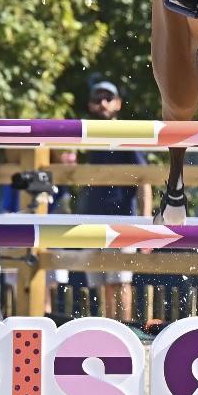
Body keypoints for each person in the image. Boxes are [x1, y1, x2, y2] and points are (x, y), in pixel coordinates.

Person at [70, 80, 151, 321]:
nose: (102, 103)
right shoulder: (88, 136)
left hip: (122, 218)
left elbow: (144, 179)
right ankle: (109, 326)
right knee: (104, 281)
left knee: (121, 281)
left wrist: (146, 225)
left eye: (108, 98)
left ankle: (123, 326)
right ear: (91, 105)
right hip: (93, 217)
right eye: (97, 99)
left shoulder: (126, 135)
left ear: (118, 104)